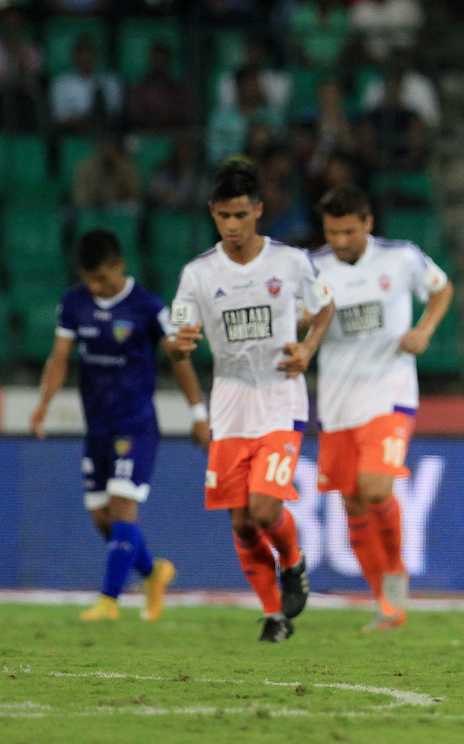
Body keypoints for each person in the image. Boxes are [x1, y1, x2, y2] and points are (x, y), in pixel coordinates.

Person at [166, 161, 335, 642]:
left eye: (241, 214)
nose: (233, 226)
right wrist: (180, 343)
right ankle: (275, 616)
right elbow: (175, 342)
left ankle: (295, 564)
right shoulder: (198, 274)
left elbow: (325, 308)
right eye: (223, 216)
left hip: (281, 399)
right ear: (213, 215)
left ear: (259, 210)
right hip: (230, 404)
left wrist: (307, 348)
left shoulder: (290, 262)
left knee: (263, 510)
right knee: (241, 522)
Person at [31, 229, 207, 622]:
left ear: (120, 266)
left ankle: (109, 601)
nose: (96, 286)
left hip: (136, 423)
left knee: (121, 504)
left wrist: (198, 412)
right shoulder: (74, 303)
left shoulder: (146, 306)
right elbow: (60, 358)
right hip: (98, 425)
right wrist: (43, 404)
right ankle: (153, 571)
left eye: (103, 279)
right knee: (102, 518)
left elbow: (178, 357)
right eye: (89, 279)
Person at [311, 184, 453, 631]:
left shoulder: (400, 257)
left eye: (348, 231)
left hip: (388, 392)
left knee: (375, 489)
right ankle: (386, 605)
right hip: (336, 399)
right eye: (332, 232)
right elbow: (297, 320)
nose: (340, 241)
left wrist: (425, 329)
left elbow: (442, 288)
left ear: (368, 224)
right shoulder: (311, 269)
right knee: (352, 503)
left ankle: (395, 574)